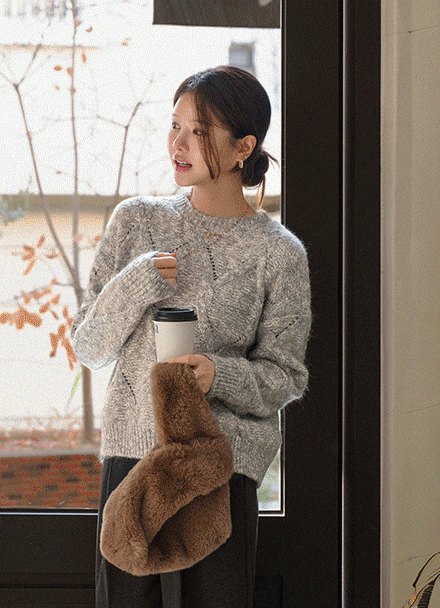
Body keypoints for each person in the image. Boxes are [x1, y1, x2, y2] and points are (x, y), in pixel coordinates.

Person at [71, 65, 311, 608]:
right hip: (131, 465)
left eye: (197, 131)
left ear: (243, 147)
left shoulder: (279, 254)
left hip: (219, 474)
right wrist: (140, 279)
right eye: (174, 125)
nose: (177, 144)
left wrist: (218, 375)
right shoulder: (136, 222)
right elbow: (89, 346)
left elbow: (286, 378)